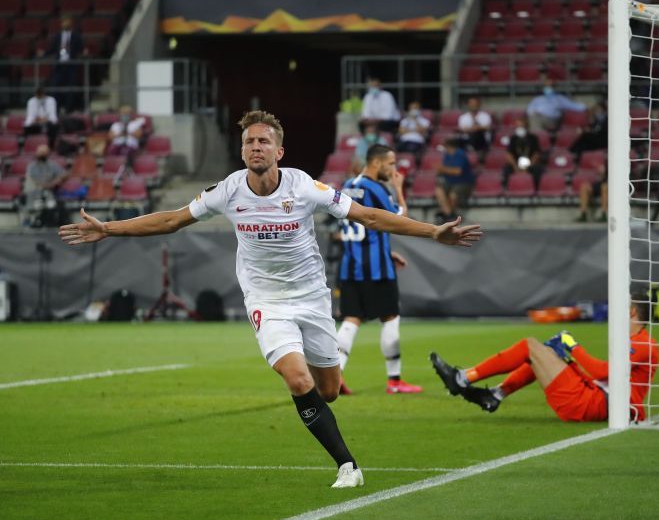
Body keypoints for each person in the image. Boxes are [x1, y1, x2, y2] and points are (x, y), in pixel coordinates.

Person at [59, 110, 482, 488]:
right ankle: (347, 466)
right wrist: (109, 228)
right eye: (249, 141)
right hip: (266, 299)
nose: (255, 146)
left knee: (329, 391)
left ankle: (327, 416)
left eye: (264, 140)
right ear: (242, 151)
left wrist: (432, 231)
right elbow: (171, 220)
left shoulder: (305, 187)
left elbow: (368, 216)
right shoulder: (227, 190)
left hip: (312, 298)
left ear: (280, 150)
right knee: (298, 380)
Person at [430, 292, 658, 422]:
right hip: (596, 398)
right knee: (543, 351)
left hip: (595, 404)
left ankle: (464, 379)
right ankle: (495, 394)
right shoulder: (634, 340)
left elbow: (600, 371)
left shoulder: (644, 343)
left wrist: (572, 345)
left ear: (632, 312)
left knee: (530, 346)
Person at [336, 144, 423, 394]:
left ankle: (337, 374)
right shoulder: (375, 188)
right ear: (376, 163)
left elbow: (357, 229)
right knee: (390, 317)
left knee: (351, 320)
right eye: (391, 163)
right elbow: (399, 218)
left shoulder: (348, 185)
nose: (394, 169)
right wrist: (399, 189)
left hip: (350, 267)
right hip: (376, 270)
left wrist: (386, 250)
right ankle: (395, 381)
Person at [39, 17, 86, 113]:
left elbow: (81, 49)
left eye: (67, 22)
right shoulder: (57, 36)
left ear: (71, 23)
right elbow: (52, 49)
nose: (65, 24)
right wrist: (43, 54)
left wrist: (85, 52)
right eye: (64, 22)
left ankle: (68, 110)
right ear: (61, 24)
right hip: (59, 66)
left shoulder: (76, 36)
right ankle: (56, 110)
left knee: (70, 89)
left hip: (71, 66)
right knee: (56, 88)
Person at [25, 144, 68, 228]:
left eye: (44, 152)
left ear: (48, 153)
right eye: (40, 152)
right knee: (38, 204)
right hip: (34, 193)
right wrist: (47, 185)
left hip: (49, 192)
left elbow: (65, 174)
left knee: (51, 204)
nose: (42, 154)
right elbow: (35, 181)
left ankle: (49, 225)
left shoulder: (52, 165)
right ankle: (34, 222)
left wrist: (55, 181)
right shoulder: (32, 166)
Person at [435, 137, 475, 224]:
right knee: (439, 191)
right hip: (450, 181)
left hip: (463, 182)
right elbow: (443, 169)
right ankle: (449, 215)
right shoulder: (447, 155)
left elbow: (457, 171)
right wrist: (442, 169)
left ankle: (448, 215)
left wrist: (442, 169)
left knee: (453, 196)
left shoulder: (460, 154)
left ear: (449, 146)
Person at [504, 118, 542, 188]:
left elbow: (536, 155)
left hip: (530, 163)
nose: (520, 128)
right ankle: (508, 188)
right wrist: (515, 167)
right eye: (518, 127)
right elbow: (509, 154)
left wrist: (528, 167)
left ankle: (535, 188)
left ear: (527, 127)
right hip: (516, 163)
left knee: (537, 169)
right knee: (507, 169)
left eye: (522, 126)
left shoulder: (533, 138)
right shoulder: (513, 139)